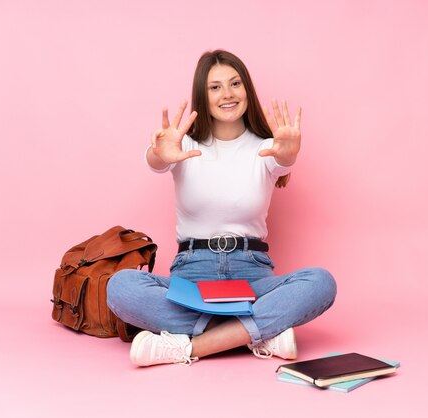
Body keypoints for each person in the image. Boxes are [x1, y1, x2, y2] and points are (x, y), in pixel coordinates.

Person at [106, 49, 337, 367]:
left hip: (253, 274)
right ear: (203, 94)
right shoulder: (183, 145)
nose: (227, 94)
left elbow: (283, 161)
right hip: (191, 273)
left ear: (247, 90)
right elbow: (155, 160)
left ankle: (190, 347)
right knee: (121, 287)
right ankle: (256, 333)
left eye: (235, 83)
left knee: (321, 282)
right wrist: (161, 153)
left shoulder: (266, 147)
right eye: (215, 87)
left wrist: (289, 153)